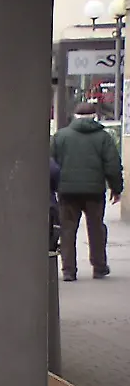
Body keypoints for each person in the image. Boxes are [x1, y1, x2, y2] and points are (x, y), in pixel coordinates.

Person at [51, 102, 123, 281]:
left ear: (75, 116)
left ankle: (68, 270)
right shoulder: (103, 137)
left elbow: (51, 164)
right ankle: (99, 267)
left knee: (67, 230)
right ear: (94, 116)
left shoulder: (60, 136)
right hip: (94, 192)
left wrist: (54, 187)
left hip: (67, 192)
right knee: (96, 229)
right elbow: (113, 166)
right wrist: (116, 189)